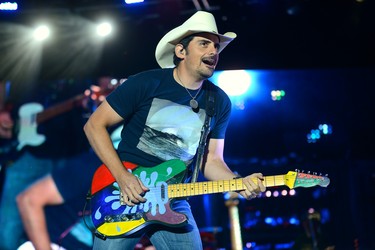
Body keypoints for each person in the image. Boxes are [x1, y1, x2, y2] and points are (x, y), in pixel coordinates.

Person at [84, 11, 266, 249]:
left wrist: (239, 182)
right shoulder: (146, 83)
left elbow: (211, 160)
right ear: (181, 51)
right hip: (125, 191)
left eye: (216, 46)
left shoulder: (218, 101)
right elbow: (94, 125)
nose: (213, 51)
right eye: (204, 44)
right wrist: (123, 176)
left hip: (175, 197)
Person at [15, 77, 118, 250]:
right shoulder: (37, 86)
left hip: (66, 156)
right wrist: (73, 103)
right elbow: (23, 121)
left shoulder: (82, 88)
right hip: (32, 156)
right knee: (14, 219)